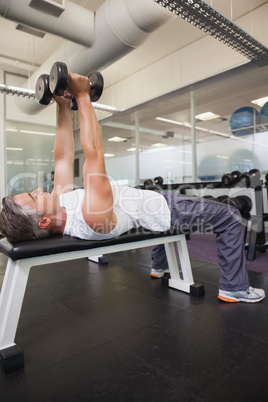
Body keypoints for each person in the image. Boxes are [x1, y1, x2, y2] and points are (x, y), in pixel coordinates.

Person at [0, 72, 265, 304]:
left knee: (152, 214)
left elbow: (62, 155)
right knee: (229, 217)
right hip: (165, 208)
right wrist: (82, 97)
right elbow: (93, 154)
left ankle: (158, 267)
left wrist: (61, 105)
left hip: (146, 207)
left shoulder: (60, 202)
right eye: (35, 197)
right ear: (44, 221)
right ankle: (234, 288)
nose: (39, 190)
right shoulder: (91, 216)